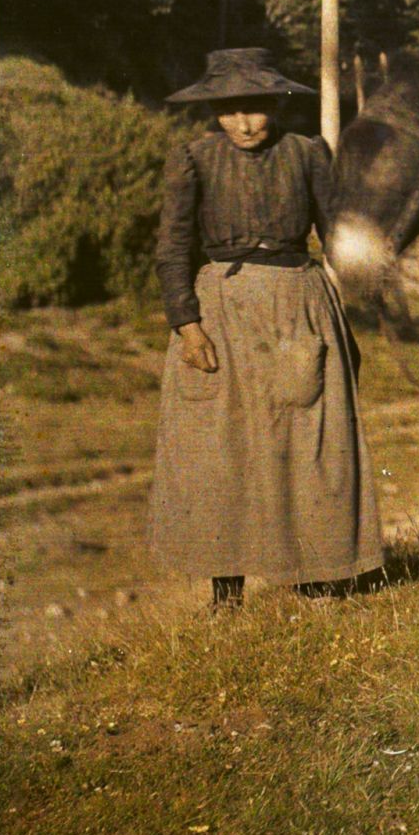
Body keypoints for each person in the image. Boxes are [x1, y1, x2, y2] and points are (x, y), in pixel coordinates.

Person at [148, 47, 382, 610]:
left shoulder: (307, 154)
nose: (245, 123)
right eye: (230, 110)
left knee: (309, 442)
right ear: (214, 111)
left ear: (276, 104)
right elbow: (172, 247)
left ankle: (317, 578)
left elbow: (337, 234)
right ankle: (225, 591)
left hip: (297, 307)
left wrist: (367, 286)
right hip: (221, 312)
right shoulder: (193, 157)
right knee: (218, 448)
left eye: (255, 109)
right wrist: (187, 324)